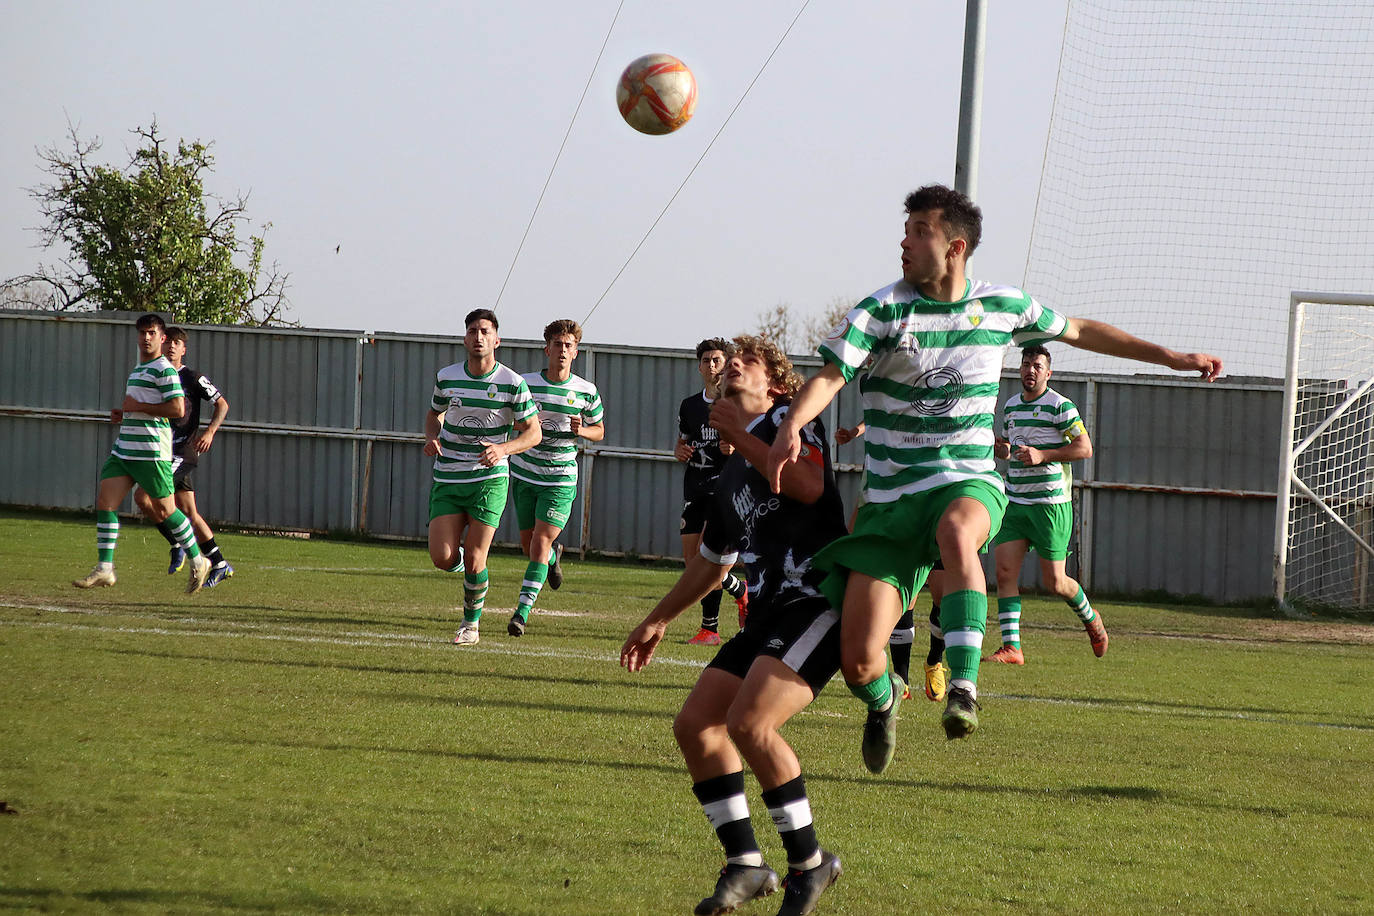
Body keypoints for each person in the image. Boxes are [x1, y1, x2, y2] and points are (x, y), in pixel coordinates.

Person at [765, 183, 1222, 751]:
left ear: (955, 247)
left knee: (961, 531)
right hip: (888, 503)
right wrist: (791, 424)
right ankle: (884, 703)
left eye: (919, 231)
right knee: (858, 661)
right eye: (905, 231)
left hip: (967, 481)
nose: (903, 243)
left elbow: (1080, 330)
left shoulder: (1001, 306)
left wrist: (1173, 358)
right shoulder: (881, 310)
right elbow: (830, 377)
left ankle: (963, 687)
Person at [622, 336, 846, 916]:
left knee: (750, 722)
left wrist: (741, 441)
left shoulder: (791, 421)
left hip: (817, 602)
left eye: (747, 360)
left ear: (774, 383)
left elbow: (808, 485)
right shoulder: (727, 473)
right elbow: (712, 563)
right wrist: (657, 620)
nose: (733, 367)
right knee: (697, 725)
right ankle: (746, 864)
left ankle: (809, 863)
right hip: (770, 614)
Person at [424, 308, 541, 646]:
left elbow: (533, 433)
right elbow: (433, 414)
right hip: (449, 476)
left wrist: (503, 450)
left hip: (489, 479)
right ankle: (471, 572)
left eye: (485, 331)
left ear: (497, 340)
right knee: (442, 557)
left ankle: (470, 624)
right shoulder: (447, 376)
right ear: (465, 338)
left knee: (477, 556)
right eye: (473, 330)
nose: (479, 337)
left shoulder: (512, 383)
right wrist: (432, 436)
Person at [73, 313, 212, 594]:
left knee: (166, 510)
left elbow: (177, 409)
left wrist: (139, 407)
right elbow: (140, 406)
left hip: (151, 451)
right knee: (105, 503)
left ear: (162, 338)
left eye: (151, 333)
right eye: (142, 333)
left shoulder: (164, 369)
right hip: (125, 449)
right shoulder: (138, 369)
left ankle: (199, 560)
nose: (146, 338)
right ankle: (105, 568)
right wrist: (124, 412)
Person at [990, 345, 1105, 664]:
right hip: (1015, 502)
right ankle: (1012, 647)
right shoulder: (1011, 407)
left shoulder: (1060, 406)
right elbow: (1010, 450)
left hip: (1050, 505)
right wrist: (1003, 450)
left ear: (1048, 373)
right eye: (1026, 364)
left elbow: (1085, 449)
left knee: (1055, 582)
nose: (1030, 370)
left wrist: (1044, 455)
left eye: (1037, 366)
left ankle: (1091, 619)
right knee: (1003, 572)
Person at [835, 421, 949, 704]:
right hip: (896, 513)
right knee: (902, 596)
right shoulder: (881, 448)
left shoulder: (940, 407)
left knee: (943, 598)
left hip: (937, 504)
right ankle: (901, 678)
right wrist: (856, 432)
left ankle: (934, 661)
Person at [506, 319, 605, 637]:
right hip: (524, 473)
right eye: (558, 345)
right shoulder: (525, 384)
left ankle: (521, 614)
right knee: (528, 545)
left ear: (576, 352)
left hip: (560, 478)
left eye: (569, 345)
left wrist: (582, 430)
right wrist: (521, 427)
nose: (563, 350)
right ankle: (551, 558)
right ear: (547, 348)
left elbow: (599, 431)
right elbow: (509, 418)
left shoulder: (586, 391)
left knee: (539, 541)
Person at [131, 327, 235, 588]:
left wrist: (210, 432)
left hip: (181, 451)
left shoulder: (193, 378)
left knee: (143, 496)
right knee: (189, 512)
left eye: (177, 343)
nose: (172, 347)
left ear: (183, 349)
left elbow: (222, 404)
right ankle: (220, 562)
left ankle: (176, 542)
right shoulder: (157, 375)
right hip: (162, 449)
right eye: (169, 342)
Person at [677, 338, 749, 646]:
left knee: (711, 563)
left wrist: (734, 448)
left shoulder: (737, 403)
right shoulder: (690, 405)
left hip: (725, 490)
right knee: (693, 565)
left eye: (717, 360)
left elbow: (752, 447)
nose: (711, 365)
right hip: (695, 487)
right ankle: (742, 591)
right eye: (706, 360)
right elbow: (681, 442)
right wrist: (679, 451)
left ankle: (711, 629)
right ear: (699, 366)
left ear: (727, 364)